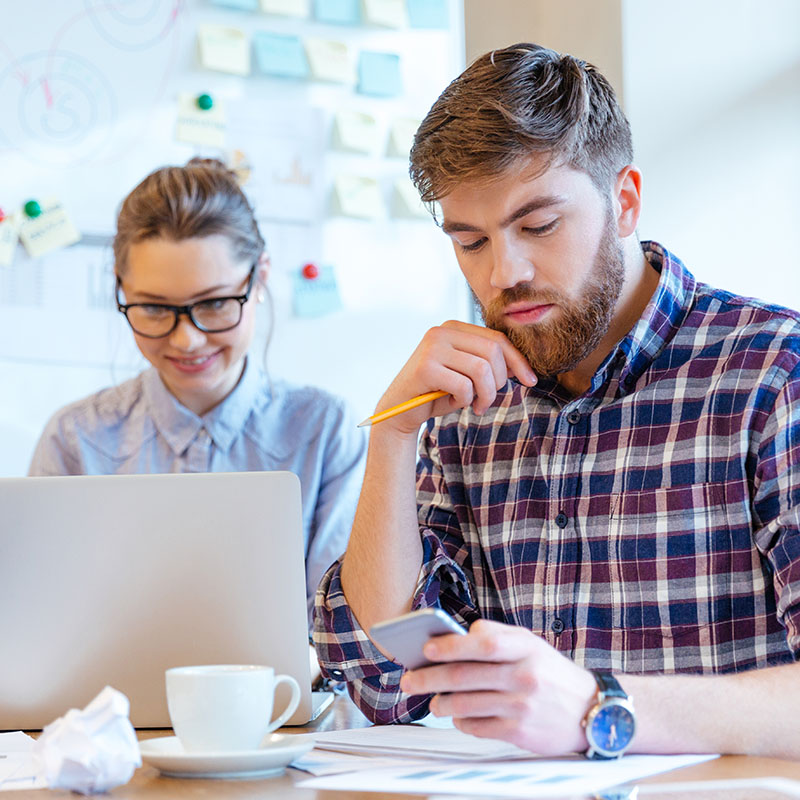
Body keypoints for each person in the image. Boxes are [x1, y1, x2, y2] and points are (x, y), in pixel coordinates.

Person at [313, 43, 800, 759]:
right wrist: (394, 434)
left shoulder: (772, 374)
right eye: (471, 241)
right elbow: (384, 685)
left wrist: (602, 709)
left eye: (538, 226)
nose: (504, 273)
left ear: (624, 201)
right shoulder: (467, 406)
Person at [29, 158, 367, 623]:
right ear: (121, 288)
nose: (187, 339)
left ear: (261, 277)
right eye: (152, 308)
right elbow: (41, 622)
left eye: (214, 303)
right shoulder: (73, 439)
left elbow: (340, 636)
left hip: (290, 697)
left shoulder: (326, 434)